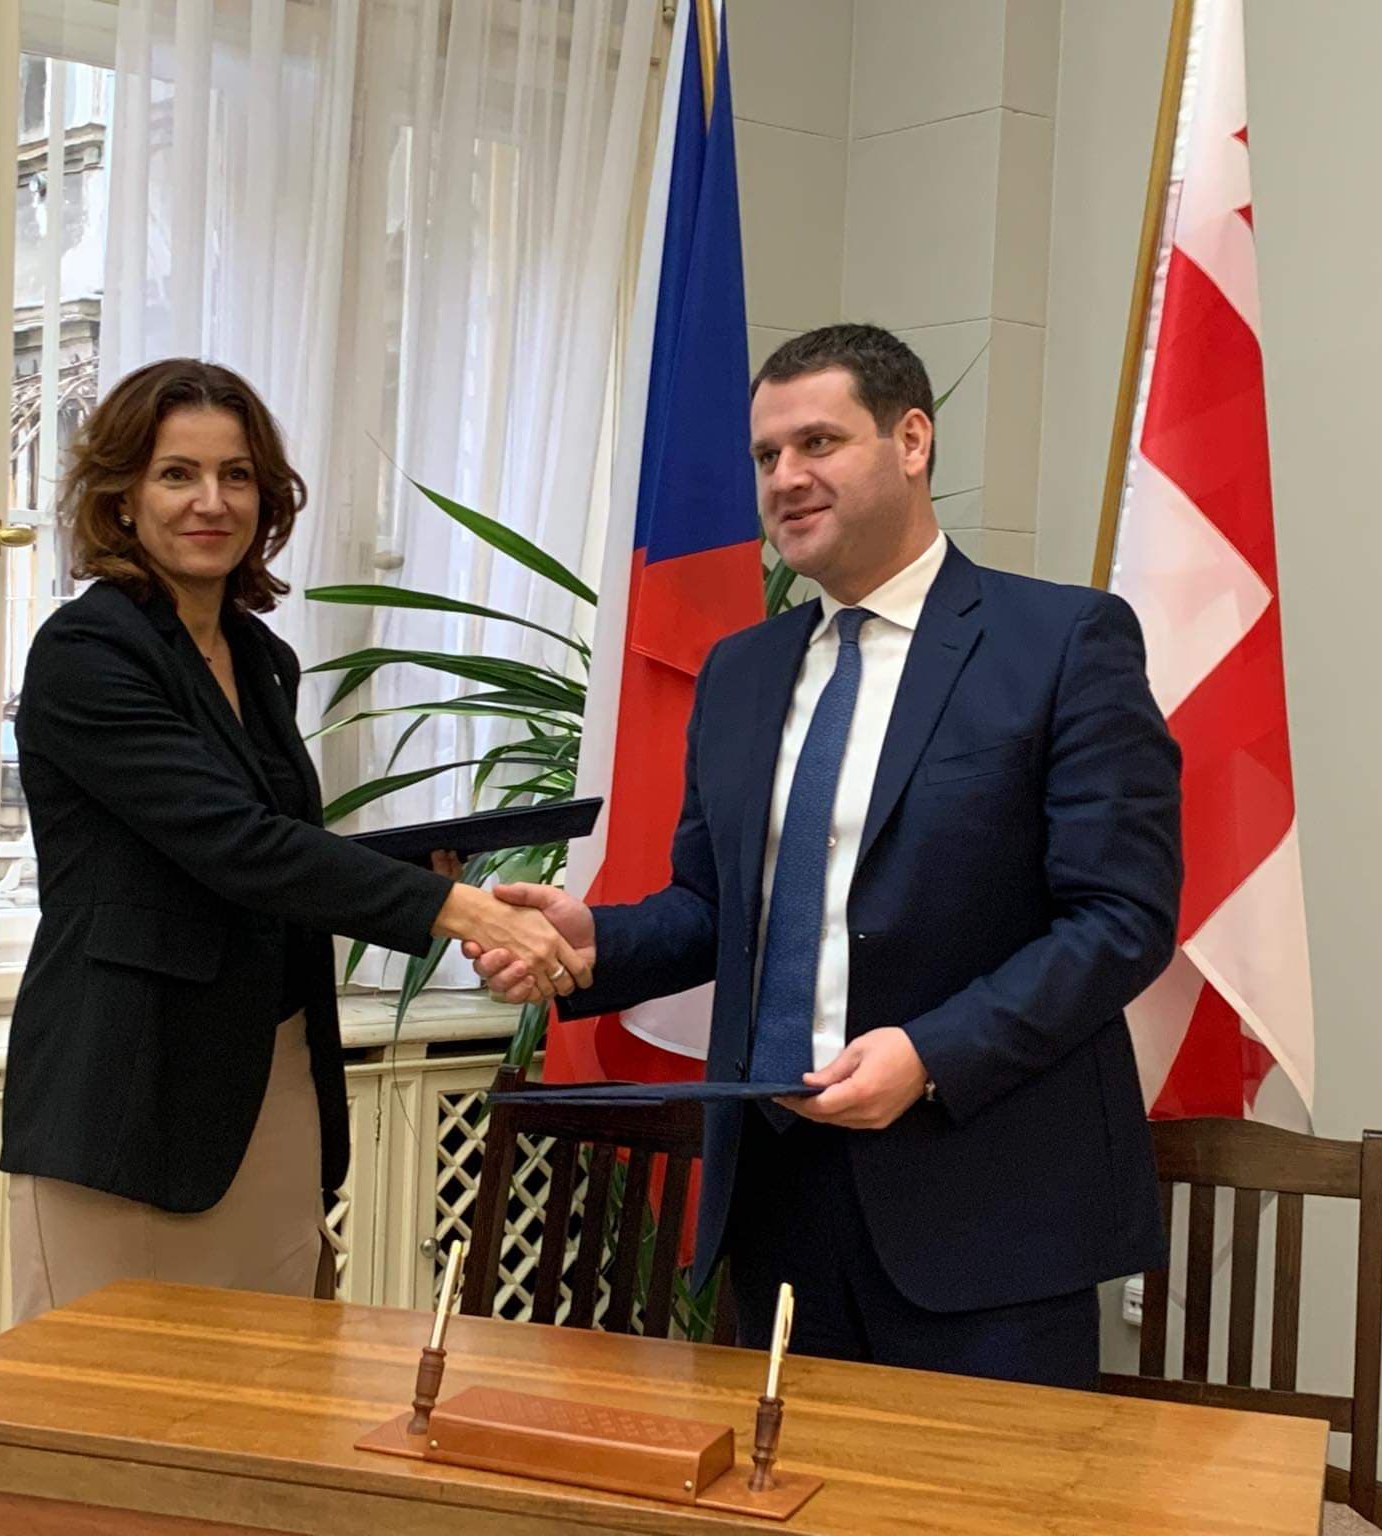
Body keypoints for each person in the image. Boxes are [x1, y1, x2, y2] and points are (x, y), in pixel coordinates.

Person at [468, 325, 1182, 1388]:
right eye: (766, 455)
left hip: (988, 1215)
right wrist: (593, 942)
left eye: (817, 443)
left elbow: (1120, 920)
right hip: (777, 1204)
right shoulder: (742, 672)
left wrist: (930, 1055)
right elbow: (716, 909)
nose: (785, 478)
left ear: (911, 440)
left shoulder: (1063, 642)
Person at [1, 358, 589, 1323]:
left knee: (269, 1387)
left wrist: (412, 869)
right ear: (121, 498)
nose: (212, 501)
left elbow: (270, 850)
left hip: (269, 1073)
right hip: (129, 1090)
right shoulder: (85, 651)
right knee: (113, 1395)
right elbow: (232, 844)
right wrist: (460, 910)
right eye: (177, 474)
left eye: (236, 475)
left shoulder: (262, 656)